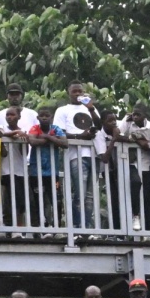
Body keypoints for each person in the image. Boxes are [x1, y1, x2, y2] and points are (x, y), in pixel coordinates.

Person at [53, 80, 101, 230]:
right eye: (75, 91)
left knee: (90, 196)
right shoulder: (63, 110)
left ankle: (87, 226)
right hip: (75, 155)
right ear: (69, 93)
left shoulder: (90, 108)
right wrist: (81, 137)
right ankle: (78, 226)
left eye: (80, 91)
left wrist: (92, 109)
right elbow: (59, 133)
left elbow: (99, 127)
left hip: (94, 155)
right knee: (80, 192)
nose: (78, 94)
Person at [26, 106, 68, 233]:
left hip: (52, 173)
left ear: (51, 118)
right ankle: (41, 227)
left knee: (56, 199)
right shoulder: (34, 128)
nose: (44, 118)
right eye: (42, 116)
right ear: (38, 118)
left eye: (47, 115)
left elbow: (65, 143)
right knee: (37, 199)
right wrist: (52, 139)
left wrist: (47, 137)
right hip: (35, 172)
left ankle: (57, 227)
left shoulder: (56, 128)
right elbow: (32, 141)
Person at [119, 104, 150, 234]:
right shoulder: (129, 123)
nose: (135, 117)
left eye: (138, 114)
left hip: (146, 165)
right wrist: (126, 119)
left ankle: (147, 230)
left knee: (147, 198)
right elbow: (118, 133)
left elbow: (149, 145)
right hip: (131, 163)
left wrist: (138, 140)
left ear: (145, 115)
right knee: (135, 184)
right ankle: (135, 216)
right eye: (134, 114)